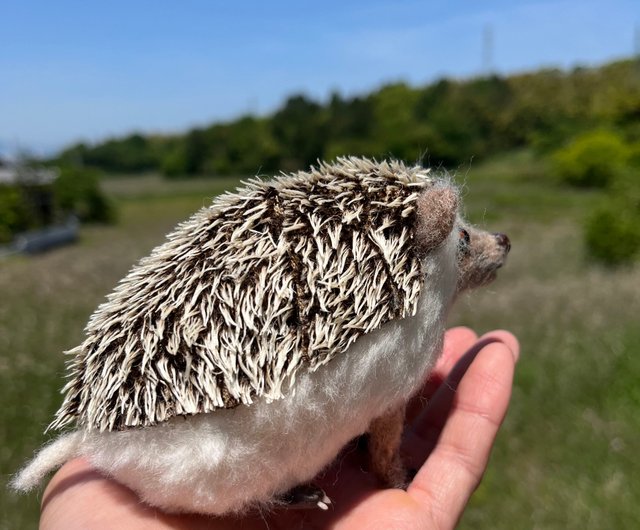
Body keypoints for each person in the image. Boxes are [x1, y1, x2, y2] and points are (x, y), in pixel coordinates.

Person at [40, 327, 519, 530]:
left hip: (137, 454)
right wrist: (388, 470)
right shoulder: (406, 331)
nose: (490, 244)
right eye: (461, 241)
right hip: (198, 461)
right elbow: (386, 427)